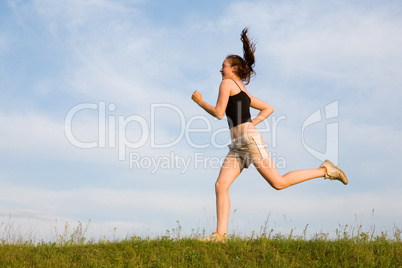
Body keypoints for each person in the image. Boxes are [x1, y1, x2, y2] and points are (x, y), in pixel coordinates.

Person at [191, 28, 348, 242]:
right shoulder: (243, 90)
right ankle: (221, 235)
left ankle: (325, 170)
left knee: (278, 182)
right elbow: (268, 108)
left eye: (224, 66)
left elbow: (219, 113)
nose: (220, 70)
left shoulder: (227, 83)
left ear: (234, 68)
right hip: (239, 144)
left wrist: (200, 102)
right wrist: (249, 124)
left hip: (248, 141)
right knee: (221, 185)